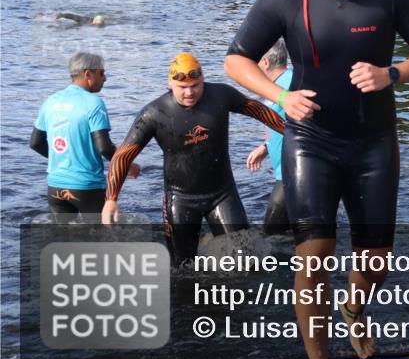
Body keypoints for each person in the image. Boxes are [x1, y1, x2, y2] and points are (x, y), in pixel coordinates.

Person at [224, 0, 409, 359]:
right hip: (310, 143)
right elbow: (235, 61)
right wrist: (281, 96)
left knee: (376, 262)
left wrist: (392, 73)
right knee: (314, 257)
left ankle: (354, 306)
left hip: (374, 144)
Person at [102, 53, 285, 266]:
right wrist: (111, 200)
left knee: (245, 257)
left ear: (203, 79)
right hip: (180, 199)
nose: (190, 92)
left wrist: (291, 131)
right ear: (170, 84)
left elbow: (258, 110)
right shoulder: (154, 113)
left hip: (223, 194)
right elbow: (124, 155)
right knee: (182, 266)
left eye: (195, 85)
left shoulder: (221, 95)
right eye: (182, 87)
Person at [31, 52, 138, 221]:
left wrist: (64, 159)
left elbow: (36, 143)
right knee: (104, 239)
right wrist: (126, 164)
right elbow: (104, 147)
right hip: (87, 187)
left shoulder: (50, 101)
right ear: (88, 73)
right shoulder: (93, 103)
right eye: (101, 73)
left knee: (63, 241)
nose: (105, 78)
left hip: (55, 186)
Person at [245, 39, 293, 235]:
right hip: (286, 173)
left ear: (264, 62)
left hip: (292, 175)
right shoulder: (275, 86)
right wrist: (265, 147)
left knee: (270, 236)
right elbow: (286, 122)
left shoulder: (290, 83)